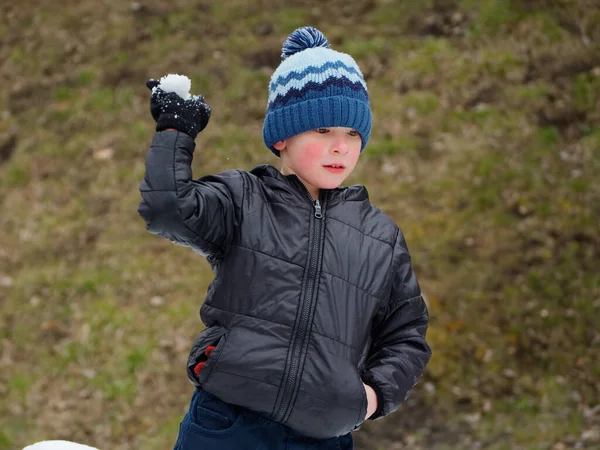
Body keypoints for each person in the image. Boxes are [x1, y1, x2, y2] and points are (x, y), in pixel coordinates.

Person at [138, 26, 431, 450]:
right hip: (229, 424)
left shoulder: (380, 236)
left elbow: (406, 335)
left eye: (352, 134)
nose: (340, 147)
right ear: (282, 136)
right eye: (323, 131)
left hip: (322, 437)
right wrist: (174, 132)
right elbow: (167, 209)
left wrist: (370, 396)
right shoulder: (243, 199)